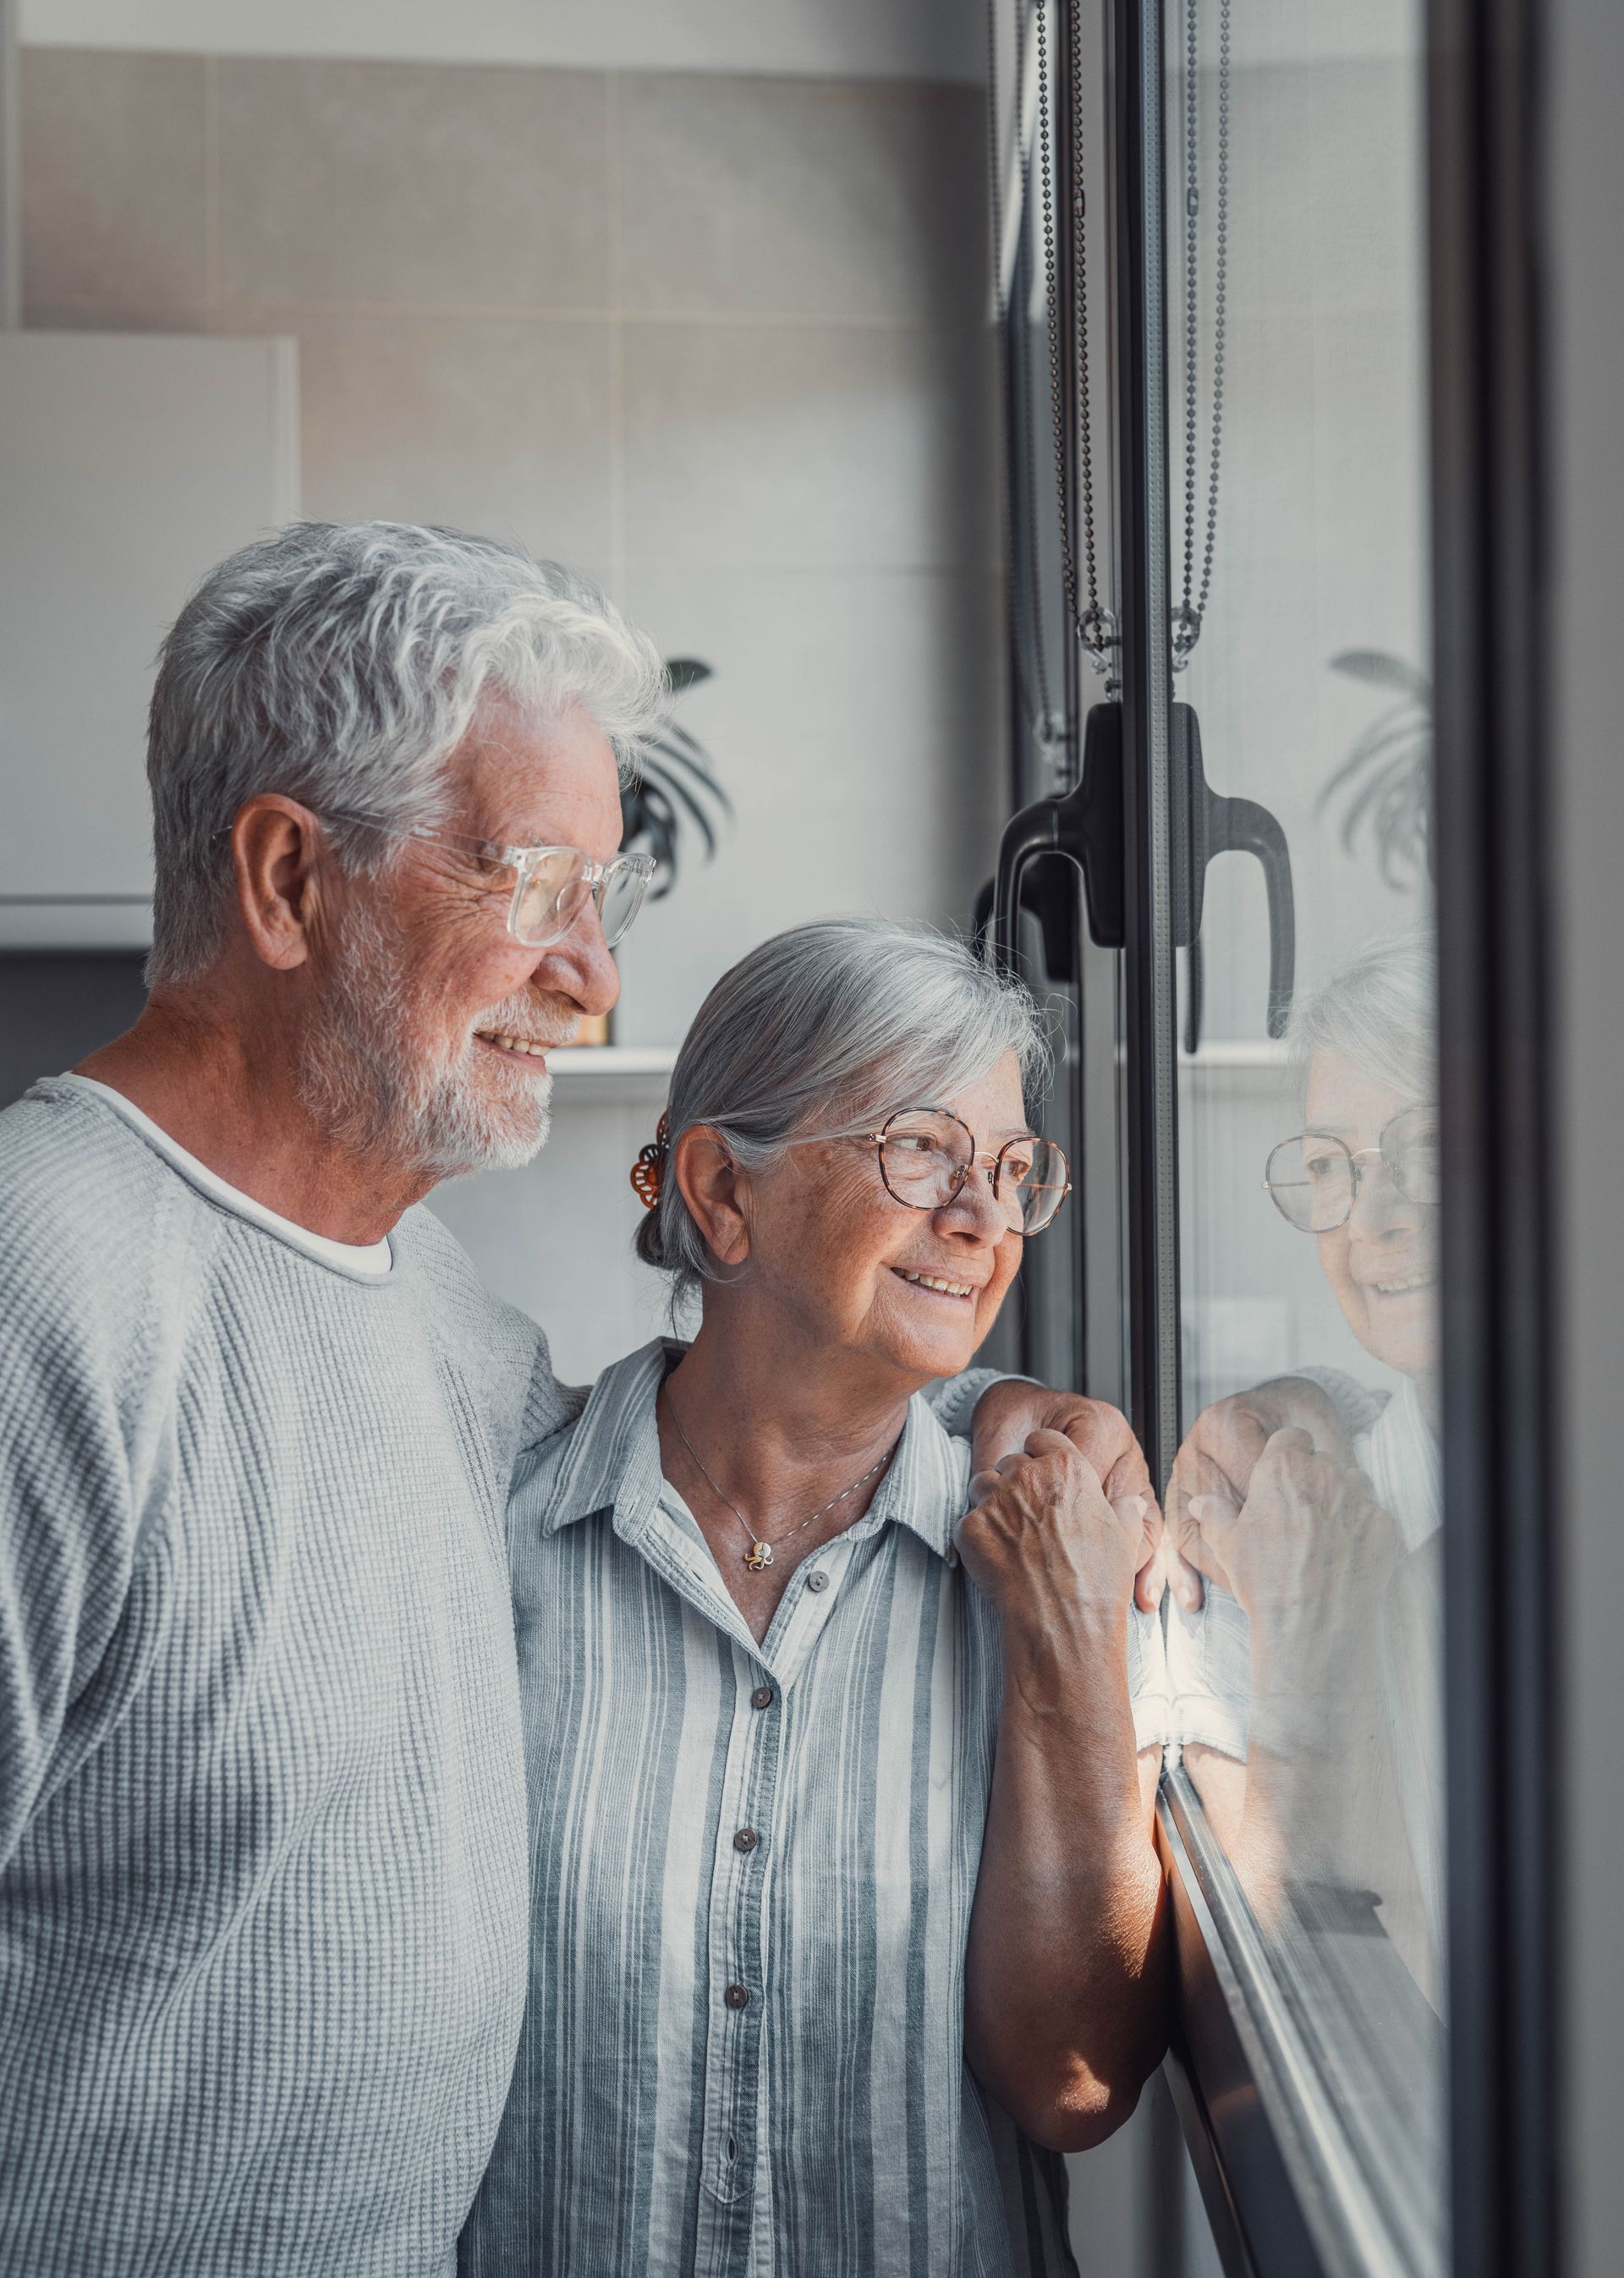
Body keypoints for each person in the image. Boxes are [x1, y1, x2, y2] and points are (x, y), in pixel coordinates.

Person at [0, 520, 1160, 2275]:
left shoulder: (443, 1332)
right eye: (535, 885)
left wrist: (1020, 1411)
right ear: (291, 881)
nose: (593, 975)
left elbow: (769, 1401)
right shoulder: (40, 1285)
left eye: (599, 902)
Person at [462, 919, 1170, 2278]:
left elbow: (1074, 2083)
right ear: (726, 1192)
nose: (979, 1218)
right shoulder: (497, 1533)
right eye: (920, 1151)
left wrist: (1064, 1640)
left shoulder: (1061, 1536)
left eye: (1014, 1171)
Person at [1164, 936, 1441, 2001]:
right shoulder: (1250, 1524)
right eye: (1332, 1165)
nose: (1375, 1220)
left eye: (1432, 1150)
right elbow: (1263, 1983)